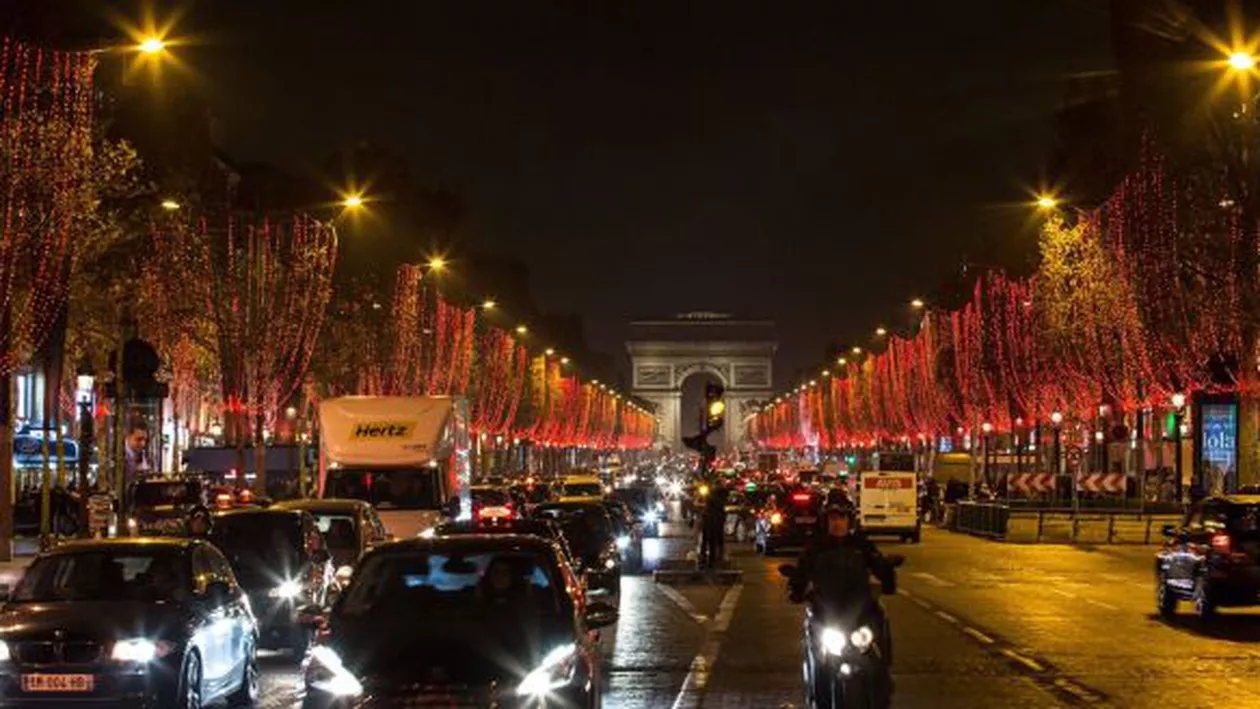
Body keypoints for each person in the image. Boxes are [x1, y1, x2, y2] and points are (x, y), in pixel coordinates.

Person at [789, 501, 895, 707]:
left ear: (849, 521)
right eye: (833, 518)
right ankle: (817, 697)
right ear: (826, 521)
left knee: (877, 654)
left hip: (858, 612)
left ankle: (882, 693)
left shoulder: (861, 545)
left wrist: (887, 573)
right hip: (826, 612)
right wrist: (796, 587)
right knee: (819, 657)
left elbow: (878, 563)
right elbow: (801, 571)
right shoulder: (815, 547)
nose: (837, 523)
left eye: (842, 518)